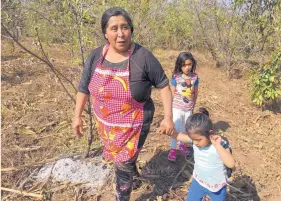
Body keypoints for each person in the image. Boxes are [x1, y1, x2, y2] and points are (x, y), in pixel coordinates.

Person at [72, 7, 174, 201]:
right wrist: (77, 116)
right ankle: (132, 172)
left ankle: (123, 195)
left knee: (123, 165)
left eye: (125, 27)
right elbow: (83, 87)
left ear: (131, 30)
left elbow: (163, 85)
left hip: (135, 123)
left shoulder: (143, 57)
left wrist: (168, 118)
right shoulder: (95, 56)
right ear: (105, 33)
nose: (120, 34)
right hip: (106, 123)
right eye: (114, 28)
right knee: (124, 161)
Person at [158, 108, 235, 201]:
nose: (195, 143)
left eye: (198, 140)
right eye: (192, 139)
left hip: (217, 186)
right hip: (199, 182)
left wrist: (218, 146)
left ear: (210, 133)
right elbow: (178, 136)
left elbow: (231, 164)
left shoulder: (220, 144)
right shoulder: (196, 139)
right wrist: (167, 131)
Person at [168, 52, 199, 161]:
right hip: (176, 108)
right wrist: (169, 111)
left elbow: (195, 93)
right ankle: (172, 149)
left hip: (188, 108)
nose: (187, 67)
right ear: (179, 65)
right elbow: (171, 94)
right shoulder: (176, 77)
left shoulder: (195, 77)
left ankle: (182, 145)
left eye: (189, 64)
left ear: (192, 64)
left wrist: (193, 106)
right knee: (175, 128)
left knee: (186, 128)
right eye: (184, 65)